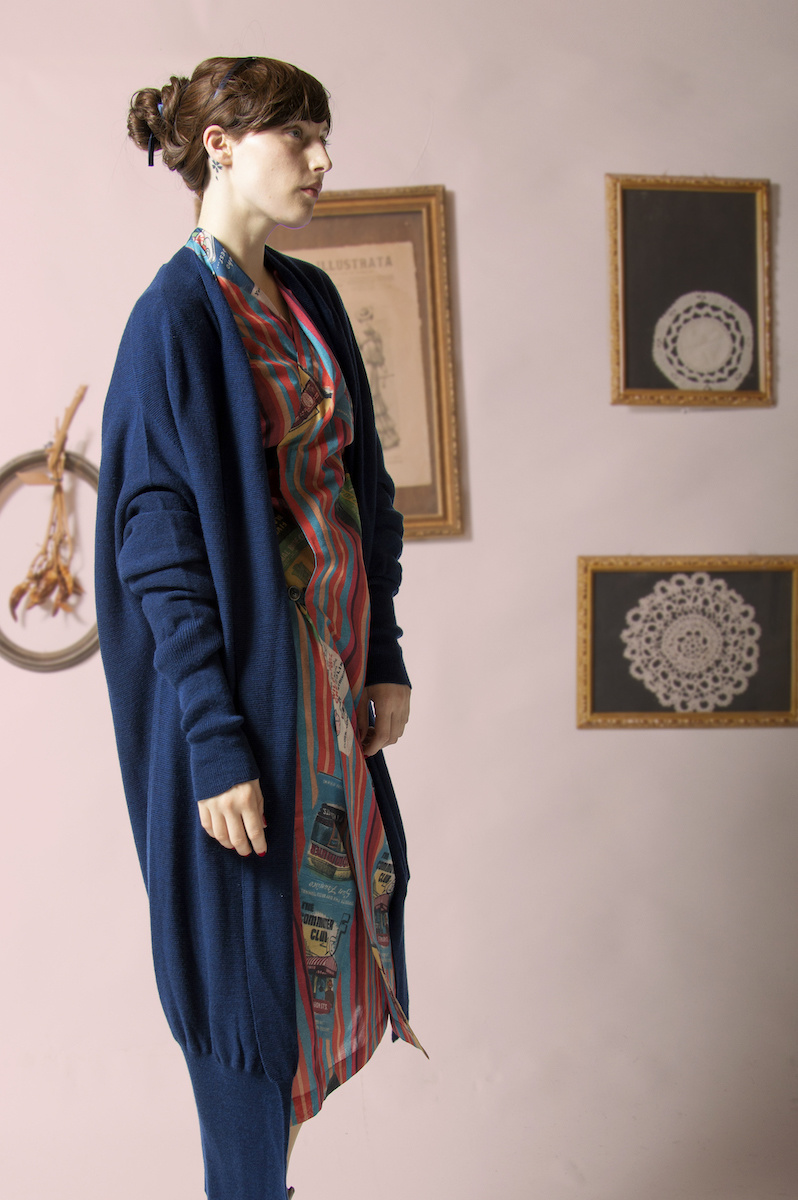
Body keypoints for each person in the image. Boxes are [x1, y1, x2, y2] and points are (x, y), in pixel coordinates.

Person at [95, 55, 422, 1200]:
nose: (324, 160)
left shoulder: (310, 298)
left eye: (325, 135)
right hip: (249, 706)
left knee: (314, 965)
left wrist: (384, 654)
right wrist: (216, 740)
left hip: (329, 692)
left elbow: (366, 495)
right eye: (300, 135)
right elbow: (157, 546)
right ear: (222, 145)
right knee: (247, 991)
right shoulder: (172, 319)